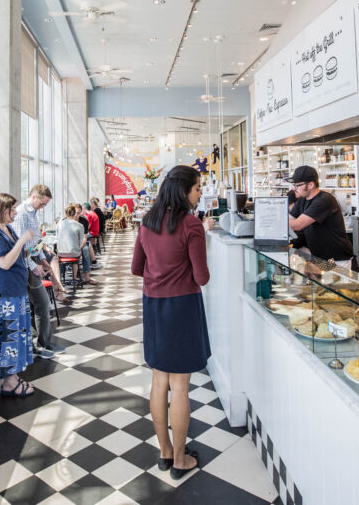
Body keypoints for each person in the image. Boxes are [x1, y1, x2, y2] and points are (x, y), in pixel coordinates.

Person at [131, 164, 213, 480]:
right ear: (183, 191)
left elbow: (137, 267)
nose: (199, 194)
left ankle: (164, 452)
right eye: (197, 189)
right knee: (180, 386)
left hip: (153, 306)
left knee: (159, 381)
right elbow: (202, 277)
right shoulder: (191, 224)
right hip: (182, 306)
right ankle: (180, 459)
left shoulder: (146, 222)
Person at [0, 193, 37, 396]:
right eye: (11, 210)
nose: (15, 213)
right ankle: (9, 383)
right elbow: (3, 262)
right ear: (1, 210)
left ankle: (14, 375)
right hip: (2, 295)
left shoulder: (7, 228)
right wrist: (22, 241)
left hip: (14, 292)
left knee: (17, 335)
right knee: (8, 336)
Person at [12, 184, 67, 358]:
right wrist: (33, 265)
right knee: (42, 303)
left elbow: (36, 241)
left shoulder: (33, 213)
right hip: (25, 264)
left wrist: (43, 258)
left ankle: (42, 343)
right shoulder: (22, 214)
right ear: (34, 197)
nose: (42, 208)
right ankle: (42, 344)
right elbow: (21, 246)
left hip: (34, 259)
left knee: (40, 305)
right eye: (42, 204)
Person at [287, 166, 354, 264]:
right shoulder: (302, 200)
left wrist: (275, 223)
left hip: (336, 258)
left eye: (298, 185)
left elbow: (298, 224)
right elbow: (288, 219)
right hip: (320, 257)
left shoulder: (324, 200)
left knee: (332, 279)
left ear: (310, 185)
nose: (294, 188)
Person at [57, 205, 95, 286]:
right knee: (76, 253)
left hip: (63, 252)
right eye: (76, 213)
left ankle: (60, 279)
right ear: (73, 213)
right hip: (74, 250)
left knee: (85, 249)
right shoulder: (79, 226)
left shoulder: (60, 224)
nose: (76, 215)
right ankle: (74, 278)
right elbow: (81, 239)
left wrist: (78, 247)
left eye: (78, 213)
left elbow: (83, 240)